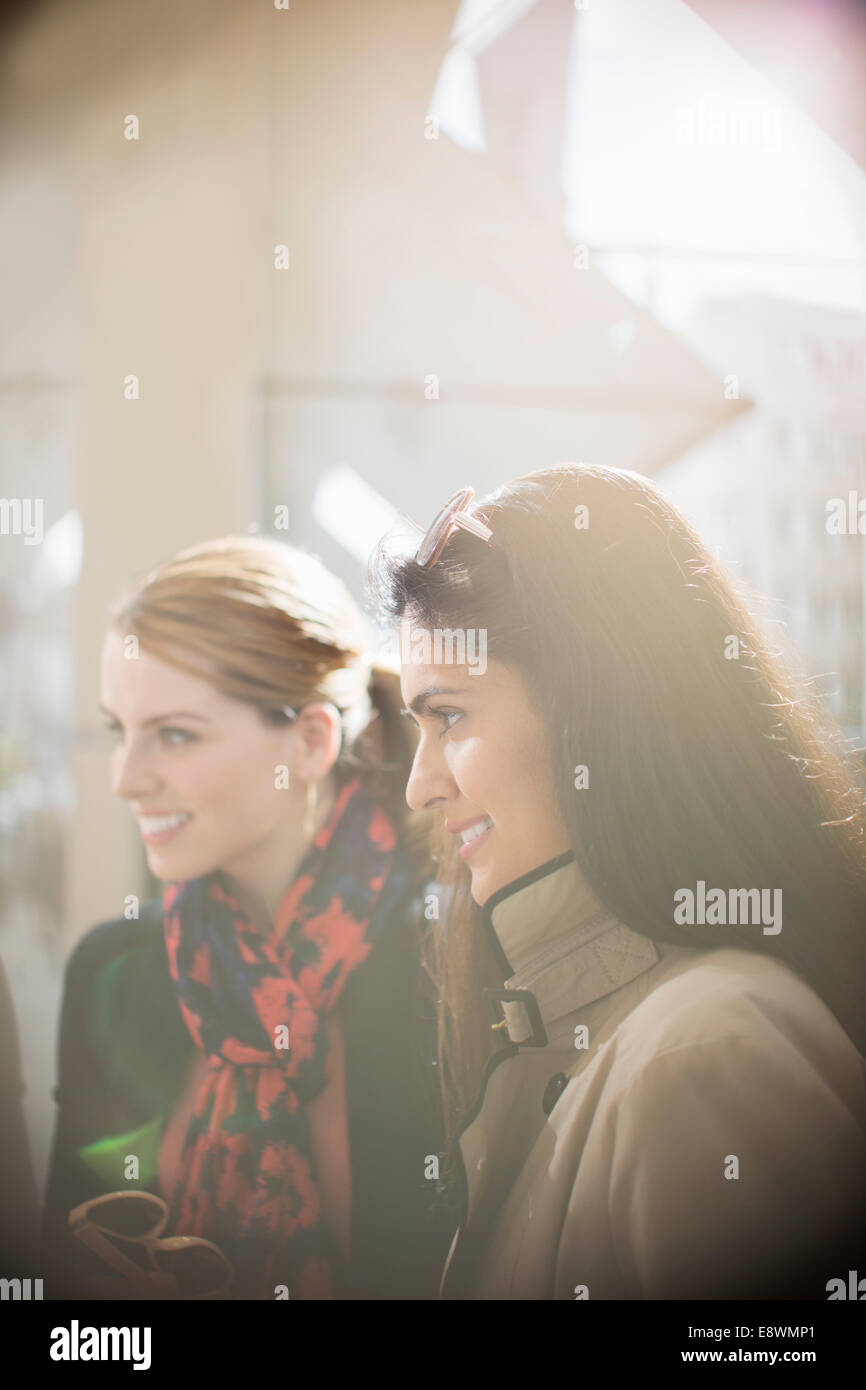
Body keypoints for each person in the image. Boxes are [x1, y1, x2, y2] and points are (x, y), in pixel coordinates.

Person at [373, 466, 866, 1300]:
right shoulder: (604, 1022)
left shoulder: (709, 1051)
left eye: (449, 716)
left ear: (593, 709)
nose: (419, 786)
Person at [42, 535, 449, 1300]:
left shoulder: (451, 960)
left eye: (174, 734)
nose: (126, 779)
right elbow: (69, 1305)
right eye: (117, 732)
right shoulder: (114, 973)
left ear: (309, 741)